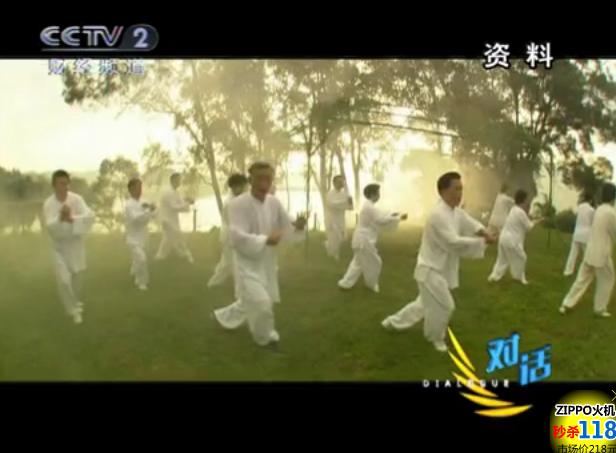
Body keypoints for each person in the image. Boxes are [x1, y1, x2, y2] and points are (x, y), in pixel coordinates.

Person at [382, 172, 497, 352]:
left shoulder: (455, 212)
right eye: (456, 189)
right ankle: (435, 337)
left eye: (461, 189)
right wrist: (483, 242)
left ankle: (392, 322)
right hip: (429, 269)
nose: (460, 193)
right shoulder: (437, 214)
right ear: (443, 191)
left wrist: (485, 233)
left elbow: (471, 223)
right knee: (446, 305)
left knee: (423, 304)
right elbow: (452, 242)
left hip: (440, 268)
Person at [212, 162, 306, 349]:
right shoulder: (237, 204)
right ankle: (265, 337)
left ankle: (222, 317)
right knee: (262, 303)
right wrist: (264, 240)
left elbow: (287, 225)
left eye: (268, 179)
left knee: (251, 300)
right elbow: (236, 236)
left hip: (268, 263)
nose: (264, 183)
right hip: (246, 263)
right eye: (260, 178)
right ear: (250, 180)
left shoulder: (274, 202)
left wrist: (298, 226)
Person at [42, 170, 95, 324]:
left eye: (67, 183)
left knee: (77, 278)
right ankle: (74, 311)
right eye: (61, 184)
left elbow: (90, 216)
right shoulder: (49, 204)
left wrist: (72, 218)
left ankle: (75, 302)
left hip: (76, 244)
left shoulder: (77, 199)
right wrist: (60, 217)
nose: (65, 187)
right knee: (64, 280)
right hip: (58, 247)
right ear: (54, 185)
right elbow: (50, 227)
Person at [559, 183, 616, 318]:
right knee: (608, 279)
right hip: (602, 254)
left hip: (590, 250)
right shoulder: (610, 213)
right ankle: (600, 309)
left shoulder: (599, 209)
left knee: (582, 279)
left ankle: (566, 304)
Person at [337, 184, 407, 293]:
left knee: (358, 263)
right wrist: (398, 218)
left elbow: (381, 214)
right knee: (375, 262)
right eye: (378, 193)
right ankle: (371, 284)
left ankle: (345, 284)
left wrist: (393, 215)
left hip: (361, 239)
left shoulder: (369, 206)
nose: (379, 195)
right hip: (364, 240)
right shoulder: (369, 207)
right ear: (372, 194)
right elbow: (381, 220)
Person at [487, 190, 543, 285]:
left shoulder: (514, 209)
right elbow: (529, 227)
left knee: (502, 260)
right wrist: (538, 221)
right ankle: (519, 278)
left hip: (503, 238)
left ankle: (494, 277)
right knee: (522, 257)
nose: (527, 202)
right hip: (511, 240)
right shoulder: (520, 212)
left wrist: (533, 220)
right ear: (523, 200)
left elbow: (524, 223)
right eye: (526, 200)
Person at [207, 173, 248, 288]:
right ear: (234, 187)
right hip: (230, 236)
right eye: (241, 186)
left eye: (243, 186)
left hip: (234, 234)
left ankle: (215, 282)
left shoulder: (238, 199)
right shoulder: (231, 202)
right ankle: (213, 283)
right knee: (229, 263)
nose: (243, 188)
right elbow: (232, 222)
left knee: (230, 262)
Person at [125, 178, 157, 291]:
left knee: (137, 259)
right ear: (131, 189)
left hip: (144, 237)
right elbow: (136, 219)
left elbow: (153, 215)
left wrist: (153, 209)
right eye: (137, 187)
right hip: (132, 239)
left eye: (140, 187)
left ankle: (133, 272)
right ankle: (141, 282)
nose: (140, 190)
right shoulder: (128, 205)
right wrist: (148, 211)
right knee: (142, 259)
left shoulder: (144, 201)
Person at [155, 173, 195, 263]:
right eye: (178, 180)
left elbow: (180, 202)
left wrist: (187, 200)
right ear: (173, 181)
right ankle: (186, 255)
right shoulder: (168, 192)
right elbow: (174, 207)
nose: (180, 182)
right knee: (178, 236)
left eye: (180, 180)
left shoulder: (175, 192)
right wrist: (187, 204)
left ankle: (160, 256)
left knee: (168, 239)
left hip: (171, 219)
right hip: (167, 220)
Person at [563, 192, 595, 276]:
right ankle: (586, 272)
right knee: (587, 255)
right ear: (590, 200)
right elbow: (592, 222)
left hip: (577, 233)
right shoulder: (591, 210)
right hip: (586, 235)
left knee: (573, 254)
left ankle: (568, 271)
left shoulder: (580, 207)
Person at [324, 175, 353, 260]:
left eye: (342, 182)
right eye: (339, 182)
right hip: (331, 218)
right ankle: (335, 255)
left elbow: (350, 208)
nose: (341, 183)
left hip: (341, 218)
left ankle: (328, 245)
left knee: (343, 238)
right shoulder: (330, 194)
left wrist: (350, 202)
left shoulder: (345, 194)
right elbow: (331, 205)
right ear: (334, 183)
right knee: (335, 236)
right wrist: (344, 202)